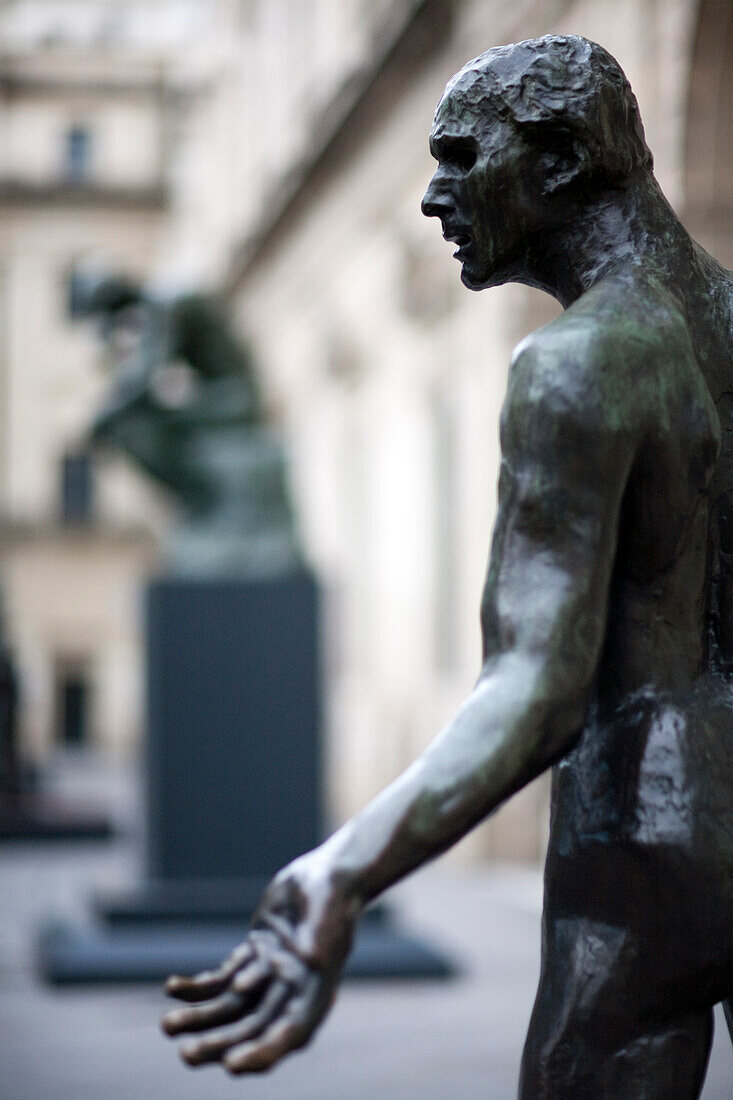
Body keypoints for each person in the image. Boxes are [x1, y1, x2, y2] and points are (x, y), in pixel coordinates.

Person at [162, 35, 733, 1097]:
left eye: (461, 157)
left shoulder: (577, 364)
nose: (432, 197)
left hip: (650, 839)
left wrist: (343, 865)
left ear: (559, 160)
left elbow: (537, 683)